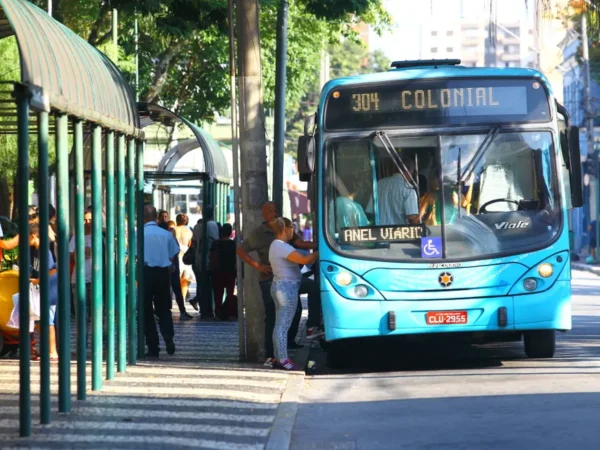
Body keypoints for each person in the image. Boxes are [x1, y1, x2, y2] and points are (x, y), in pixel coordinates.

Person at [237, 201, 316, 367]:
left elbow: (301, 244)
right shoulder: (271, 240)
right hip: (278, 283)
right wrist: (258, 265)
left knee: (287, 319)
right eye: (270, 211)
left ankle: (287, 347)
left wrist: (321, 244)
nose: (274, 213)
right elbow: (303, 258)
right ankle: (276, 357)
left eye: (275, 210)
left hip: (285, 282)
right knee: (276, 321)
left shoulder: (281, 242)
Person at [269, 217, 319, 370]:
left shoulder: (277, 245)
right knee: (283, 326)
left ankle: (279, 358)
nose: (294, 231)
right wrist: (323, 249)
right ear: (286, 229)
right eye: (292, 228)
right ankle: (283, 360)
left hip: (281, 286)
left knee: (280, 325)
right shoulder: (281, 246)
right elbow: (304, 259)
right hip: (287, 288)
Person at [143, 204, 178, 358]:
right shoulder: (166, 234)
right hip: (163, 274)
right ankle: (168, 335)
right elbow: (173, 255)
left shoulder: (139, 234)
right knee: (163, 308)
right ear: (156, 217)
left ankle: (153, 346)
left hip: (146, 273)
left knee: (146, 311)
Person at [29, 222, 59, 361]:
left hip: (49, 291)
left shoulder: (44, 251)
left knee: (48, 322)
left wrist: (38, 280)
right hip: (41, 291)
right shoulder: (37, 251)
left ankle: (52, 352)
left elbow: (52, 270)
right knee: (41, 322)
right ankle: (47, 349)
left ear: (33, 236)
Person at [158, 220, 193, 320]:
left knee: (163, 290)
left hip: (162, 268)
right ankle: (182, 311)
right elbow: (175, 252)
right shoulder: (170, 237)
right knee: (176, 290)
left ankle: (162, 311)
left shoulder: (159, 239)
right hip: (172, 268)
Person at [190, 206, 219, 316]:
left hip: (199, 258)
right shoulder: (214, 225)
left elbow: (193, 242)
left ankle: (203, 308)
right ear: (212, 214)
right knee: (211, 284)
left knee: (201, 283)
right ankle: (210, 308)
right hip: (212, 259)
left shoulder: (197, 227)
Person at [375, 158, 420, 225]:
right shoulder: (409, 189)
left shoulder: (379, 183)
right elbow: (412, 217)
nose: (412, 176)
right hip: (399, 233)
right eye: (413, 172)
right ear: (408, 171)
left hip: (378, 232)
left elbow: (371, 211)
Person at [69, 209, 93, 326]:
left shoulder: (100, 237)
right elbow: (69, 255)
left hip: (95, 281)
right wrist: (78, 252)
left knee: (96, 317)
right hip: (78, 280)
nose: (87, 222)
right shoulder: (77, 236)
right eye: (84, 219)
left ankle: (97, 343)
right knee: (81, 317)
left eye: (90, 220)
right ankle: (82, 343)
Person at [210, 223, 237, 321]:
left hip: (217, 271)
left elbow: (211, 256)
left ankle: (217, 314)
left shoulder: (216, 243)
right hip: (230, 272)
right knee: (230, 293)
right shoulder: (233, 244)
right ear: (230, 233)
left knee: (218, 293)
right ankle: (229, 314)